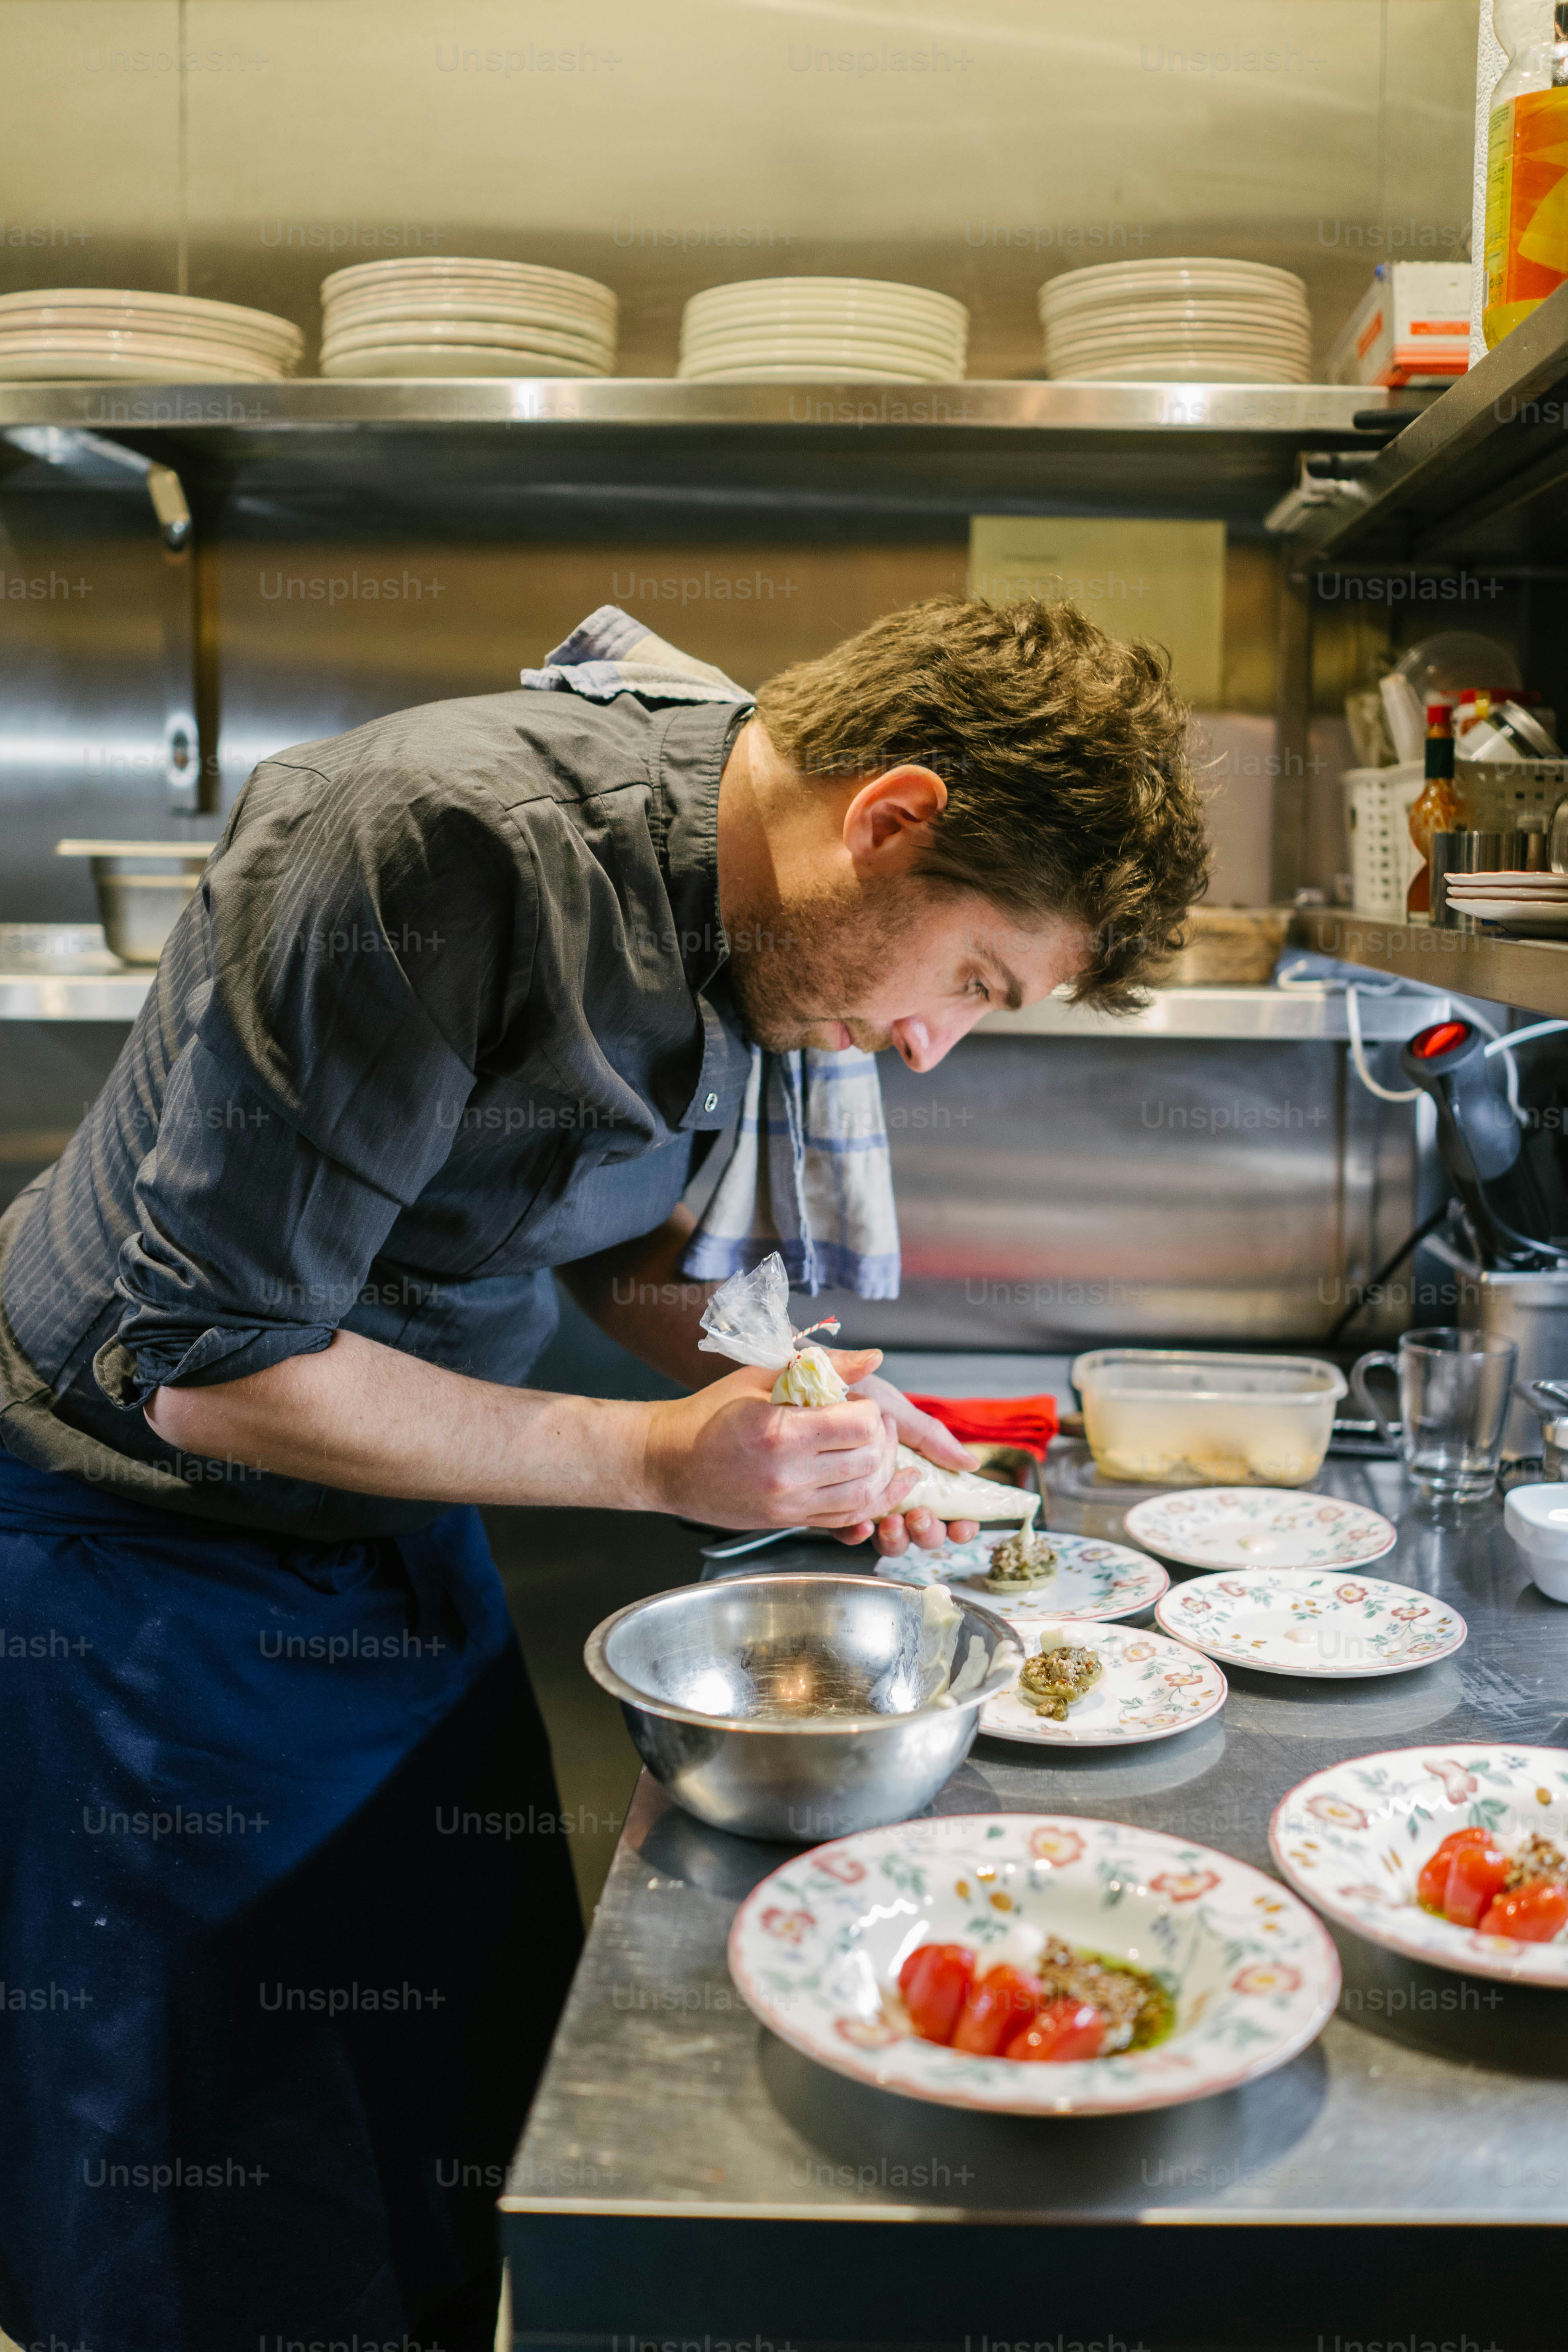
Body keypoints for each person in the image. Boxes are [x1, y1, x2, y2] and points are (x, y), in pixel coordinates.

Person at [0, 594, 1207, 2350]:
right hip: (137, 1566)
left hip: (397, 1525)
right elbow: (214, 1370)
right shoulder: (431, 851)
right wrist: (658, 1456)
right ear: (891, 820)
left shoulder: (754, 914)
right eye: (973, 982)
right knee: (223, 2193)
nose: (934, 1047)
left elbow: (575, 1233)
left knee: (451, 2098)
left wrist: (789, 1390)